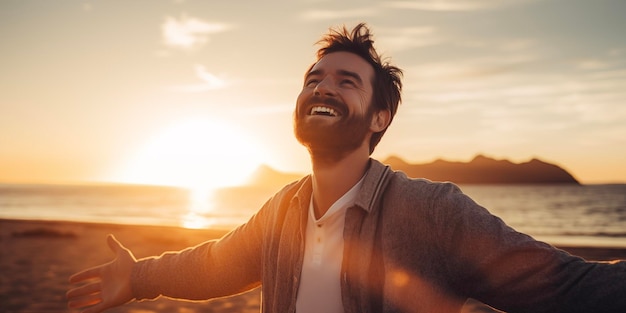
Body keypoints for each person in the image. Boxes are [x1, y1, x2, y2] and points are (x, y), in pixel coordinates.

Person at [67, 23, 626, 313]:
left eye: (345, 80)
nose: (321, 87)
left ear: (379, 117)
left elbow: (563, 285)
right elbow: (216, 264)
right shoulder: (280, 211)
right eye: (313, 78)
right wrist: (139, 278)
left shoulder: (432, 210)